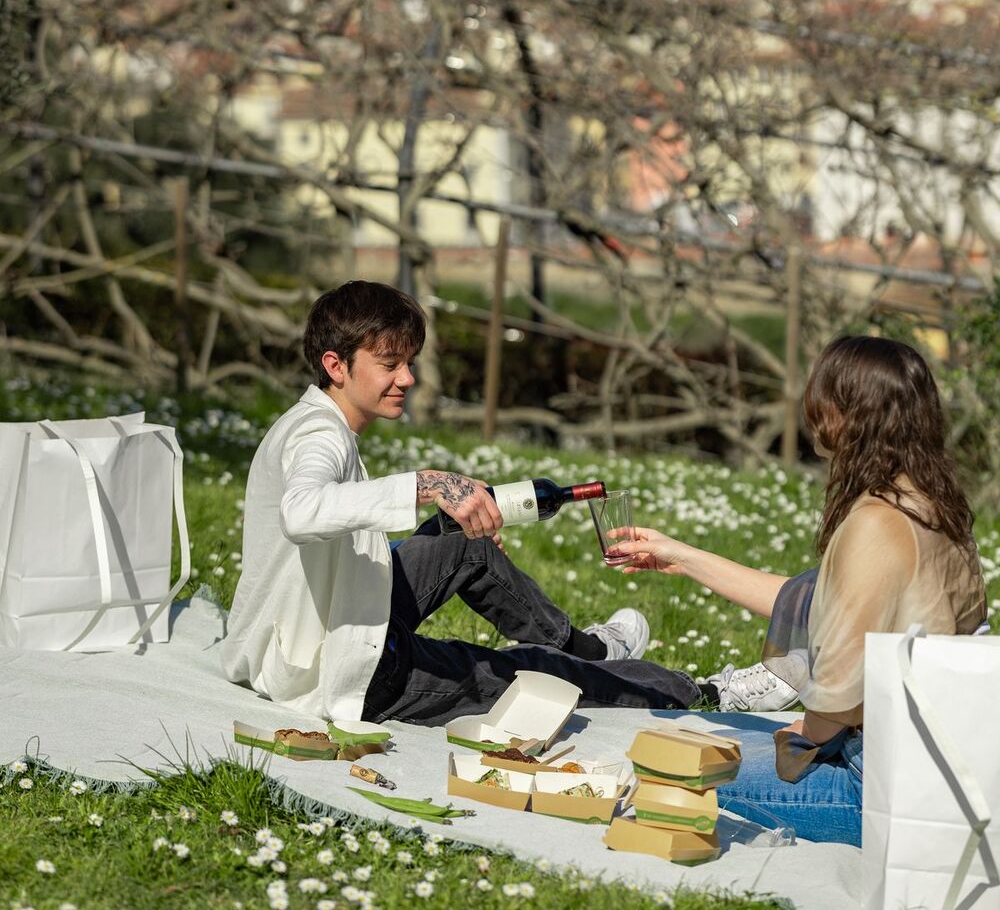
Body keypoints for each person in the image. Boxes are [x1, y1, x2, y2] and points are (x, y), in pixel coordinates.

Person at [222, 279, 707, 728]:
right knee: (531, 674)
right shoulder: (317, 436)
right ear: (335, 366)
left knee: (463, 544)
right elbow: (302, 512)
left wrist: (448, 502)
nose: (407, 379)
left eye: (409, 363)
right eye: (390, 365)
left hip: (323, 619)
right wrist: (428, 483)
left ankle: (591, 649)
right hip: (344, 671)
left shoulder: (317, 419)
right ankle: (697, 690)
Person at [610, 335, 986, 846]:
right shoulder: (932, 504)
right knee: (709, 747)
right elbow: (814, 603)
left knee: (660, 770)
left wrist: (801, 739)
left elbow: (834, 698)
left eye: (821, 396)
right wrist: (682, 556)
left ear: (849, 413)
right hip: (945, 768)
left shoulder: (875, 524)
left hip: (880, 792)